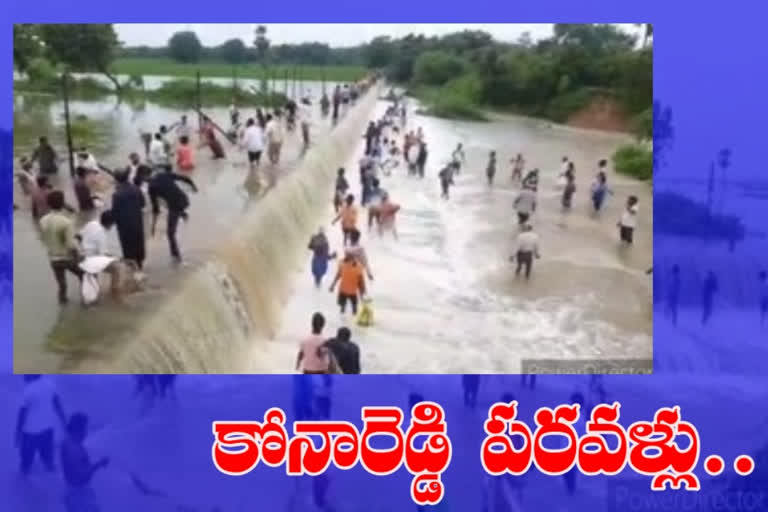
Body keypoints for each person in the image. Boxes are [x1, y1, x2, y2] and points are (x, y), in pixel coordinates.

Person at [16, 375, 67, 477]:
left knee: (26, 462)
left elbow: (22, 415)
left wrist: (17, 433)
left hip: (30, 432)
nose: (22, 376)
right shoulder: (50, 384)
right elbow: (57, 404)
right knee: (48, 459)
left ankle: (23, 482)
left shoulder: (28, 390)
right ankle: (52, 479)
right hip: (47, 429)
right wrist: (64, 421)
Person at [149, 164, 198, 265]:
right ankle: (183, 214)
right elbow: (185, 178)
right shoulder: (163, 175)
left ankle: (177, 257)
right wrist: (194, 186)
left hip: (175, 206)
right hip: (184, 200)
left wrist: (153, 226)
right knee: (166, 203)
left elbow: (155, 209)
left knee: (170, 233)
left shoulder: (151, 187)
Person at [40, 191, 83, 304]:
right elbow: (71, 245)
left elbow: (46, 238)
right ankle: (86, 299)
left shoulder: (43, 220)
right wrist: (79, 256)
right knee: (83, 274)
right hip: (66, 258)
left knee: (62, 284)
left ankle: (62, 301)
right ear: (63, 203)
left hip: (53, 259)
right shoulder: (66, 222)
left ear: (49, 204)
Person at [60, 412, 110, 512]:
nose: (85, 432)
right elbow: (81, 474)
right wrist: (99, 464)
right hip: (79, 493)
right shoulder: (73, 448)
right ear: (77, 430)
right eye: (84, 429)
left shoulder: (69, 442)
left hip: (74, 490)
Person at [78, 210, 121, 302]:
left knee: (90, 285)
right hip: (91, 260)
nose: (112, 226)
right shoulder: (102, 234)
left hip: (81, 256)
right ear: (109, 223)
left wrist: (83, 247)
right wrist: (116, 258)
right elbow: (103, 255)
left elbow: (78, 236)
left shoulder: (92, 223)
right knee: (116, 269)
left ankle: (89, 297)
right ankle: (114, 292)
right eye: (112, 224)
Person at [111, 169, 147, 271]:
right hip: (137, 223)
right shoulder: (136, 189)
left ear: (117, 180)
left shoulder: (117, 195)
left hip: (124, 227)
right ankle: (140, 266)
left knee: (128, 248)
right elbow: (143, 204)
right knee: (138, 244)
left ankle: (132, 269)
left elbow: (115, 212)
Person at [329, 251, 366, 316]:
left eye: (349, 256)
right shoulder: (342, 263)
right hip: (344, 291)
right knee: (343, 308)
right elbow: (338, 275)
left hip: (352, 292)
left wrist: (362, 293)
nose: (347, 257)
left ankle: (348, 320)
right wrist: (333, 285)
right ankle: (344, 320)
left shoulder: (358, 267)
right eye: (346, 255)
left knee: (354, 309)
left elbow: (361, 282)